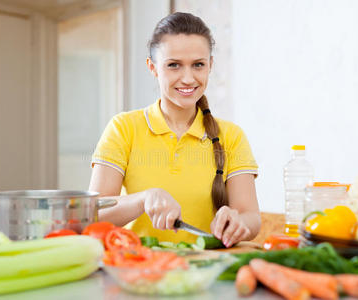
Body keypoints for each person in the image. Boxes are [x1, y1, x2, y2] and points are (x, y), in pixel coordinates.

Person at [89, 12, 260, 247]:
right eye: (174, 65)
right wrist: (143, 199)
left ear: (210, 65)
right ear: (153, 67)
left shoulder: (231, 136)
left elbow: (251, 217)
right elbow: (92, 216)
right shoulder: (123, 129)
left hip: (206, 268)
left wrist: (238, 221)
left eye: (198, 65)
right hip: (135, 265)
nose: (188, 78)